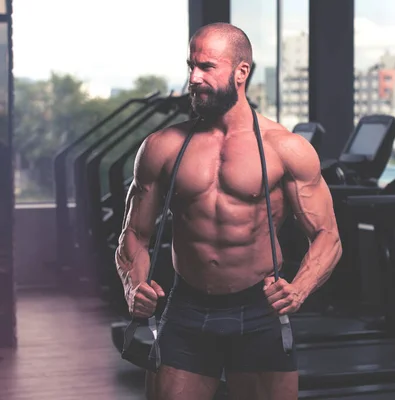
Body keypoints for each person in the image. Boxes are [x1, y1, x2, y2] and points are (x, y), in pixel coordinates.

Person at [115, 22, 342, 400]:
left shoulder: (284, 148)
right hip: (187, 309)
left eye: (206, 67)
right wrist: (133, 285)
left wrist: (299, 289)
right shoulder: (162, 147)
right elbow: (133, 233)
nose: (193, 77)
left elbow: (328, 235)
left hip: (259, 310)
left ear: (241, 72)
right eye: (191, 66)